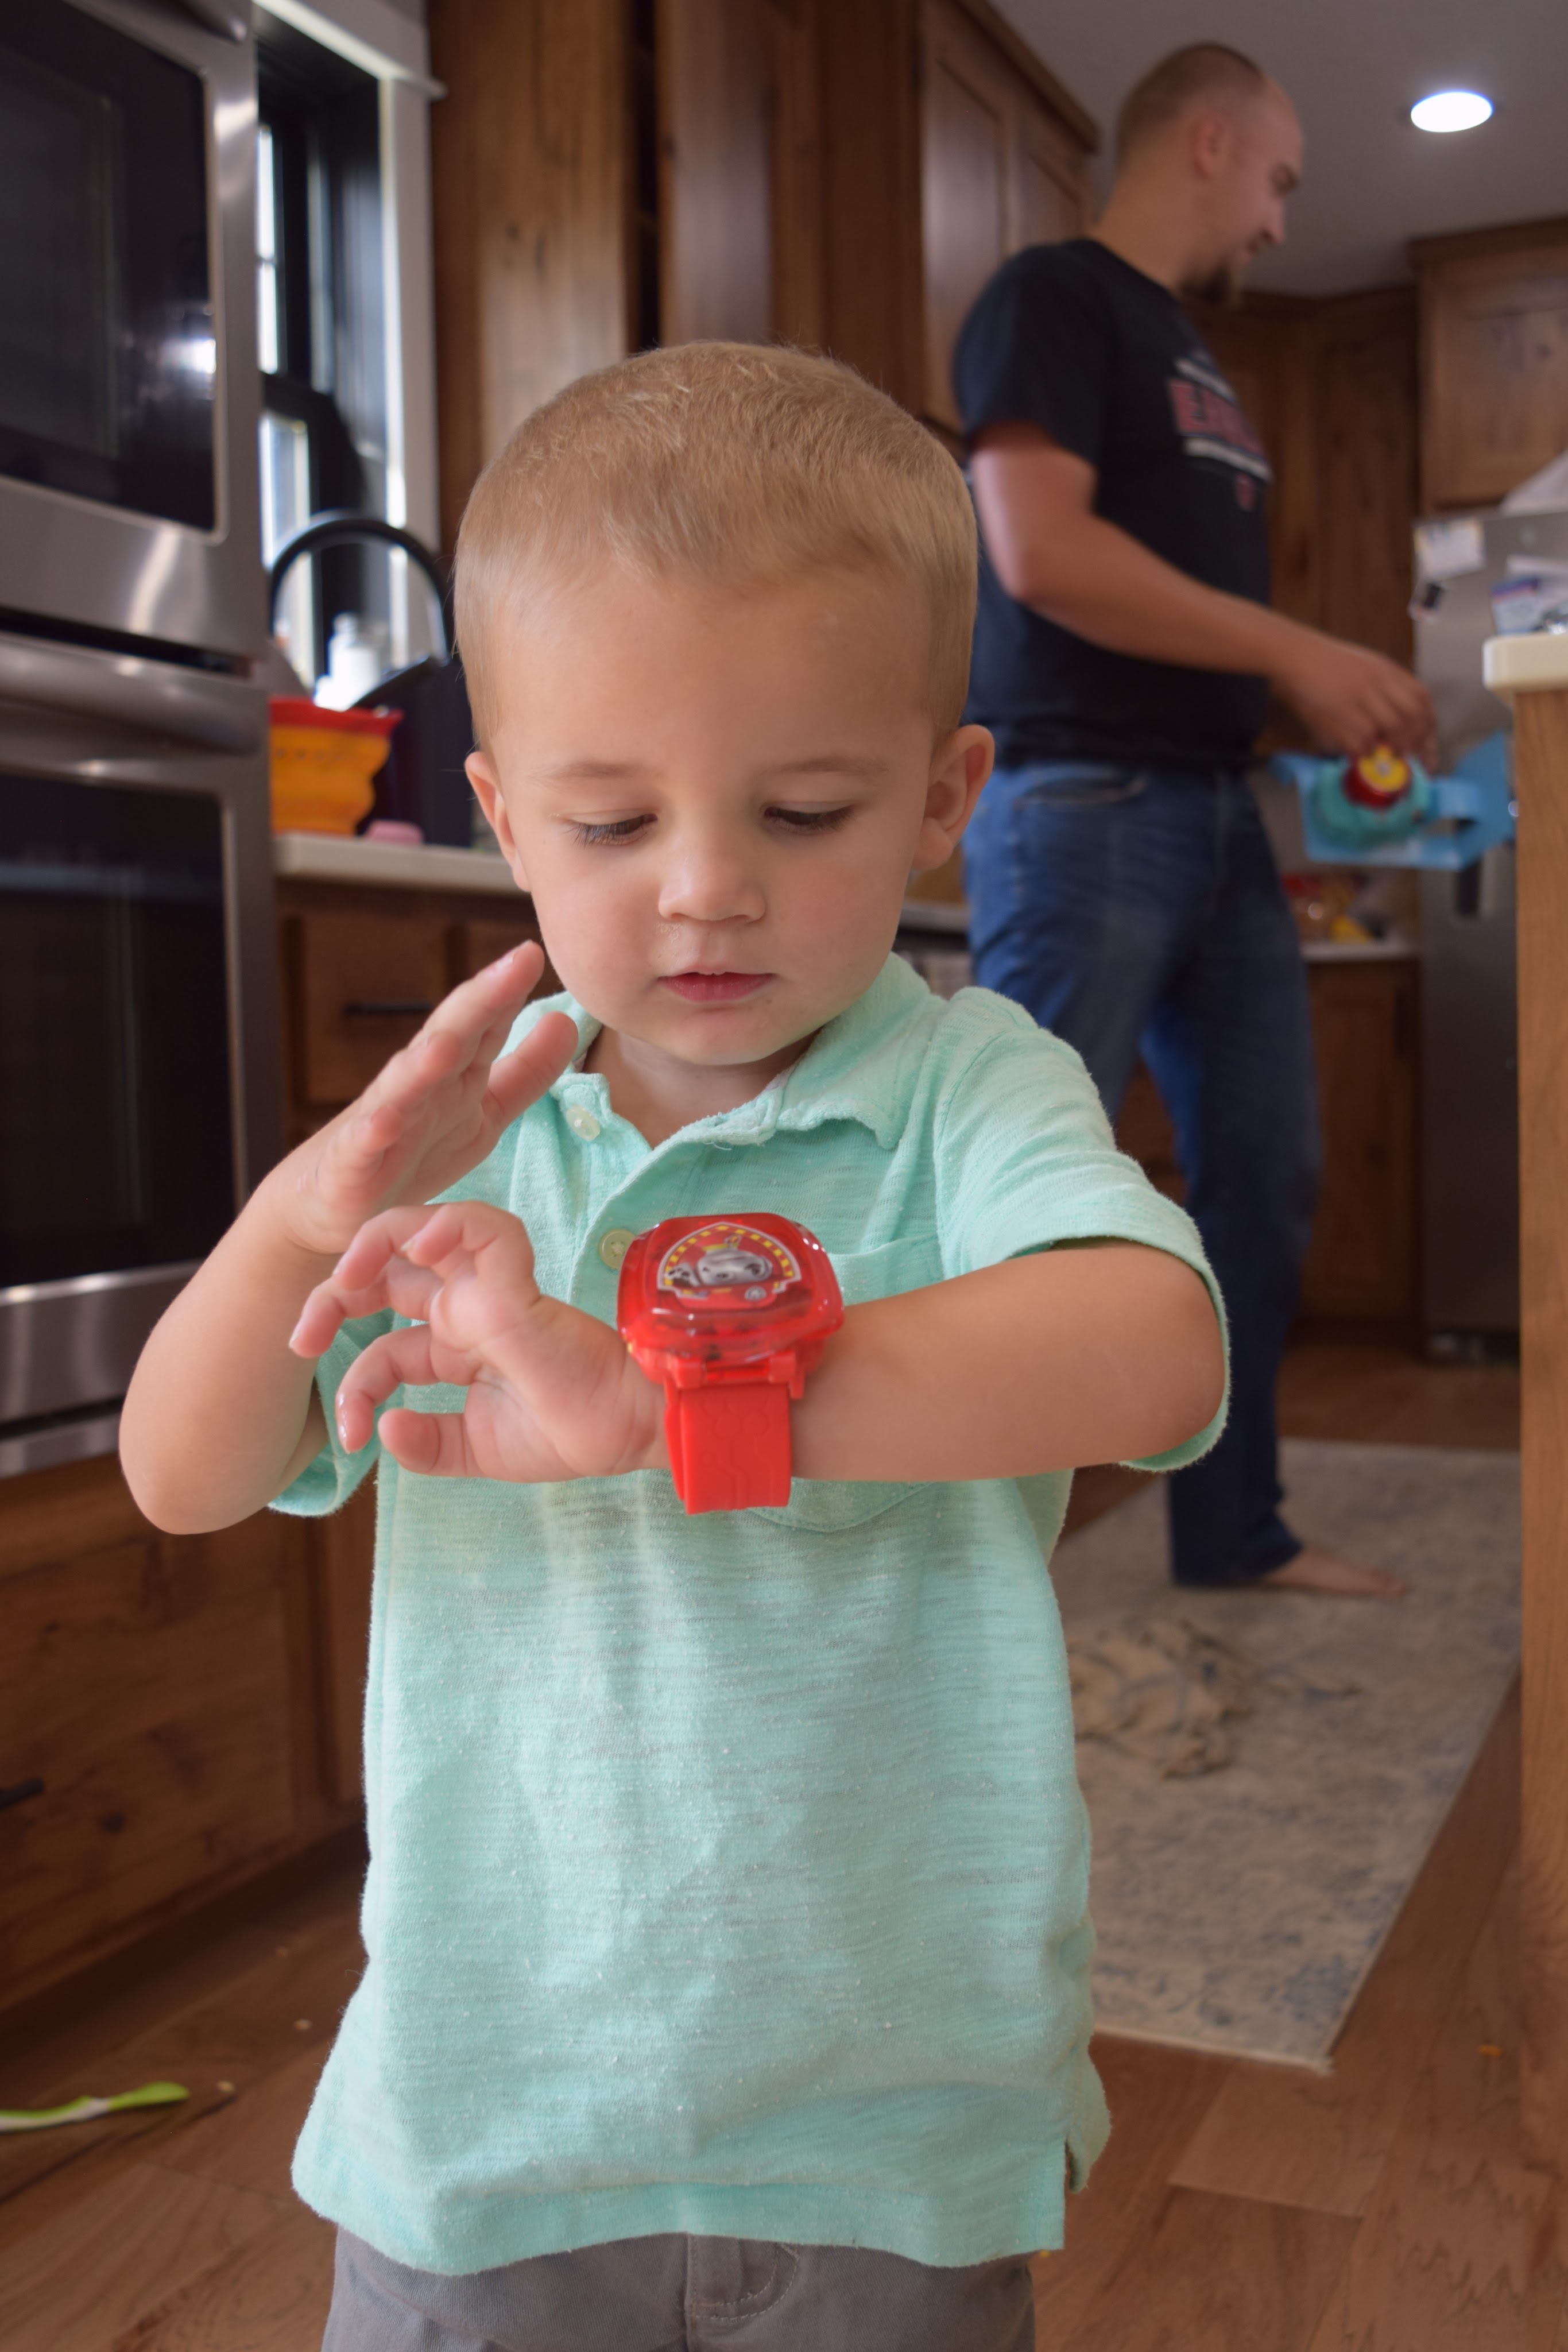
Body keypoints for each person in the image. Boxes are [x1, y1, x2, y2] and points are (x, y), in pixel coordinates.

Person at [120, 344, 1226, 2352]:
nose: (708, 887)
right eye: (613, 818)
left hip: (887, 2122)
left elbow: (1154, 1349)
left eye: (803, 810)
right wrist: (296, 1215)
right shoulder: (462, 1141)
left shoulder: (968, 1089)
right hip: (488, 2114)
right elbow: (183, 1476)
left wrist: (664, 1404)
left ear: (940, 799)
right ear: (500, 816)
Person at [953, 44, 1433, 1601]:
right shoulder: (1053, 296)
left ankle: (1232, 1533)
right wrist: (1298, 648)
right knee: (1008, 1193)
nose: (1282, 223)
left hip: (1217, 819)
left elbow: (1165, 610)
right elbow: (1038, 553)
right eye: (1280, 180)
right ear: (1209, 143)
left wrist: (1298, 702)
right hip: (1079, 808)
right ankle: (945, 1580)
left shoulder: (1193, 355)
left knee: (1266, 1180)